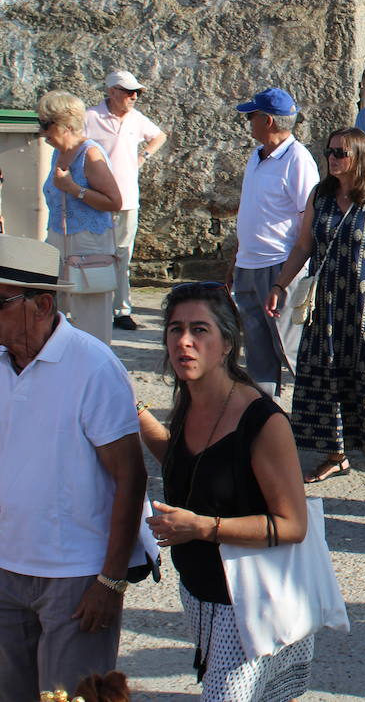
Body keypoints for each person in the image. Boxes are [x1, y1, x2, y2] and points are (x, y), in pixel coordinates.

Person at [137, 282, 314, 697]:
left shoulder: (263, 422)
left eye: (199, 330)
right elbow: (195, 468)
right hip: (201, 594)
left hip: (251, 603)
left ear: (226, 344)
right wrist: (137, 413)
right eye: (175, 329)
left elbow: (292, 525)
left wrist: (201, 527)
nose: (184, 341)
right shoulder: (191, 398)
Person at [0, 235, 146, 700]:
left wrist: (111, 579)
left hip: (75, 577)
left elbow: (131, 475)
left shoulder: (93, 366)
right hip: (5, 569)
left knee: (72, 697)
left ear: (41, 305)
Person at [265, 128, 365, 482]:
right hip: (326, 308)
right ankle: (336, 453)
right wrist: (279, 285)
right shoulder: (321, 196)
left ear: (359, 157)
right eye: (329, 150)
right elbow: (303, 246)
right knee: (325, 375)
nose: (333, 157)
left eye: (341, 153)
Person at [230, 88, 319, 397]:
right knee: (257, 353)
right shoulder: (256, 157)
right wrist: (236, 261)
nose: (248, 121)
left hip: (279, 267)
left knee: (292, 349)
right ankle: (264, 416)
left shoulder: (297, 159)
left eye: (251, 116)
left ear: (267, 121)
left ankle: (316, 417)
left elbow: (308, 218)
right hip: (248, 265)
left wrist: (289, 277)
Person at [38, 91, 123, 344]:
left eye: (45, 125)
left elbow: (115, 202)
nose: (42, 133)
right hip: (60, 248)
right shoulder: (59, 152)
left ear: (64, 126)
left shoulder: (90, 155)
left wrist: (74, 188)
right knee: (58, 323)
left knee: (91, 324)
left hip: (89, 250)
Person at [84, 70, 166, 331]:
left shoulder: (136, 119)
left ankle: (122, 310)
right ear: (111, 91)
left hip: (127, 198)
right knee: (94, 254)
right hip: (96, 199)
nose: (134, 96)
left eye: (137, 92)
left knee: (122, 256)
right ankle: (93, 306)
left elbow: (159, 136)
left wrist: (144, 155)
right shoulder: (90, 117)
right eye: (129, 91)